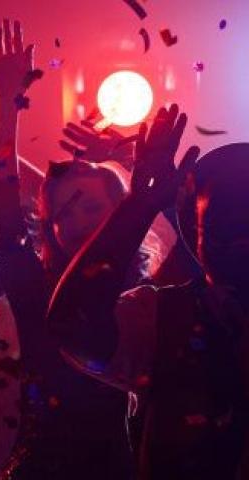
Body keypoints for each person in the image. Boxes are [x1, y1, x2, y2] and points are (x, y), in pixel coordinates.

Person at [0, 19, 167, 479]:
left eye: (92, 207)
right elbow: (3, 206)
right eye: (66, 212)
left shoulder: (150, 295)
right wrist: (7, 103)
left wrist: (138, 169)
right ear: (51, 229)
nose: (81, 221)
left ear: (120, 211)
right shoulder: (36, 292)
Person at [47, 105, 249, 479]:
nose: (241, 241)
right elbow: (73, 327)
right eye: (222, 224)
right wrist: (140, 204)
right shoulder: (165, 317)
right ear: (195, 235)